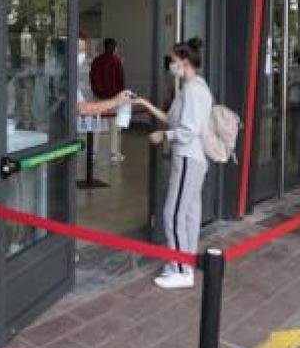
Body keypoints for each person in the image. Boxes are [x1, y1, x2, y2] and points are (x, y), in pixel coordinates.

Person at [133, 38, 213, 289]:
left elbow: (188, 130)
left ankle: (180, 270)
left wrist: (163, 135)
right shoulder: (190, 88)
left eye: (173, 61)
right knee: (188, 214)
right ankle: (183, 262)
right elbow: (171, 118)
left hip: (190, 157)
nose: (170, 65)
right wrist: (144, 104)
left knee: (173, 213)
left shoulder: (193, 90)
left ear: (184, 62)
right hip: (191, 158)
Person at [90, 38, 127, 163]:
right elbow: (120, 79)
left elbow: (92, 78)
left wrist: (96, 92)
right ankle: (113, 153)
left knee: (96, 125)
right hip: (113, 98)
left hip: (98, 97)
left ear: (104, 47)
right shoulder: (116, 61)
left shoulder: (96, 61)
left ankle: (93, 152)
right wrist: (121, 95)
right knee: (114, 126)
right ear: (114, 48)